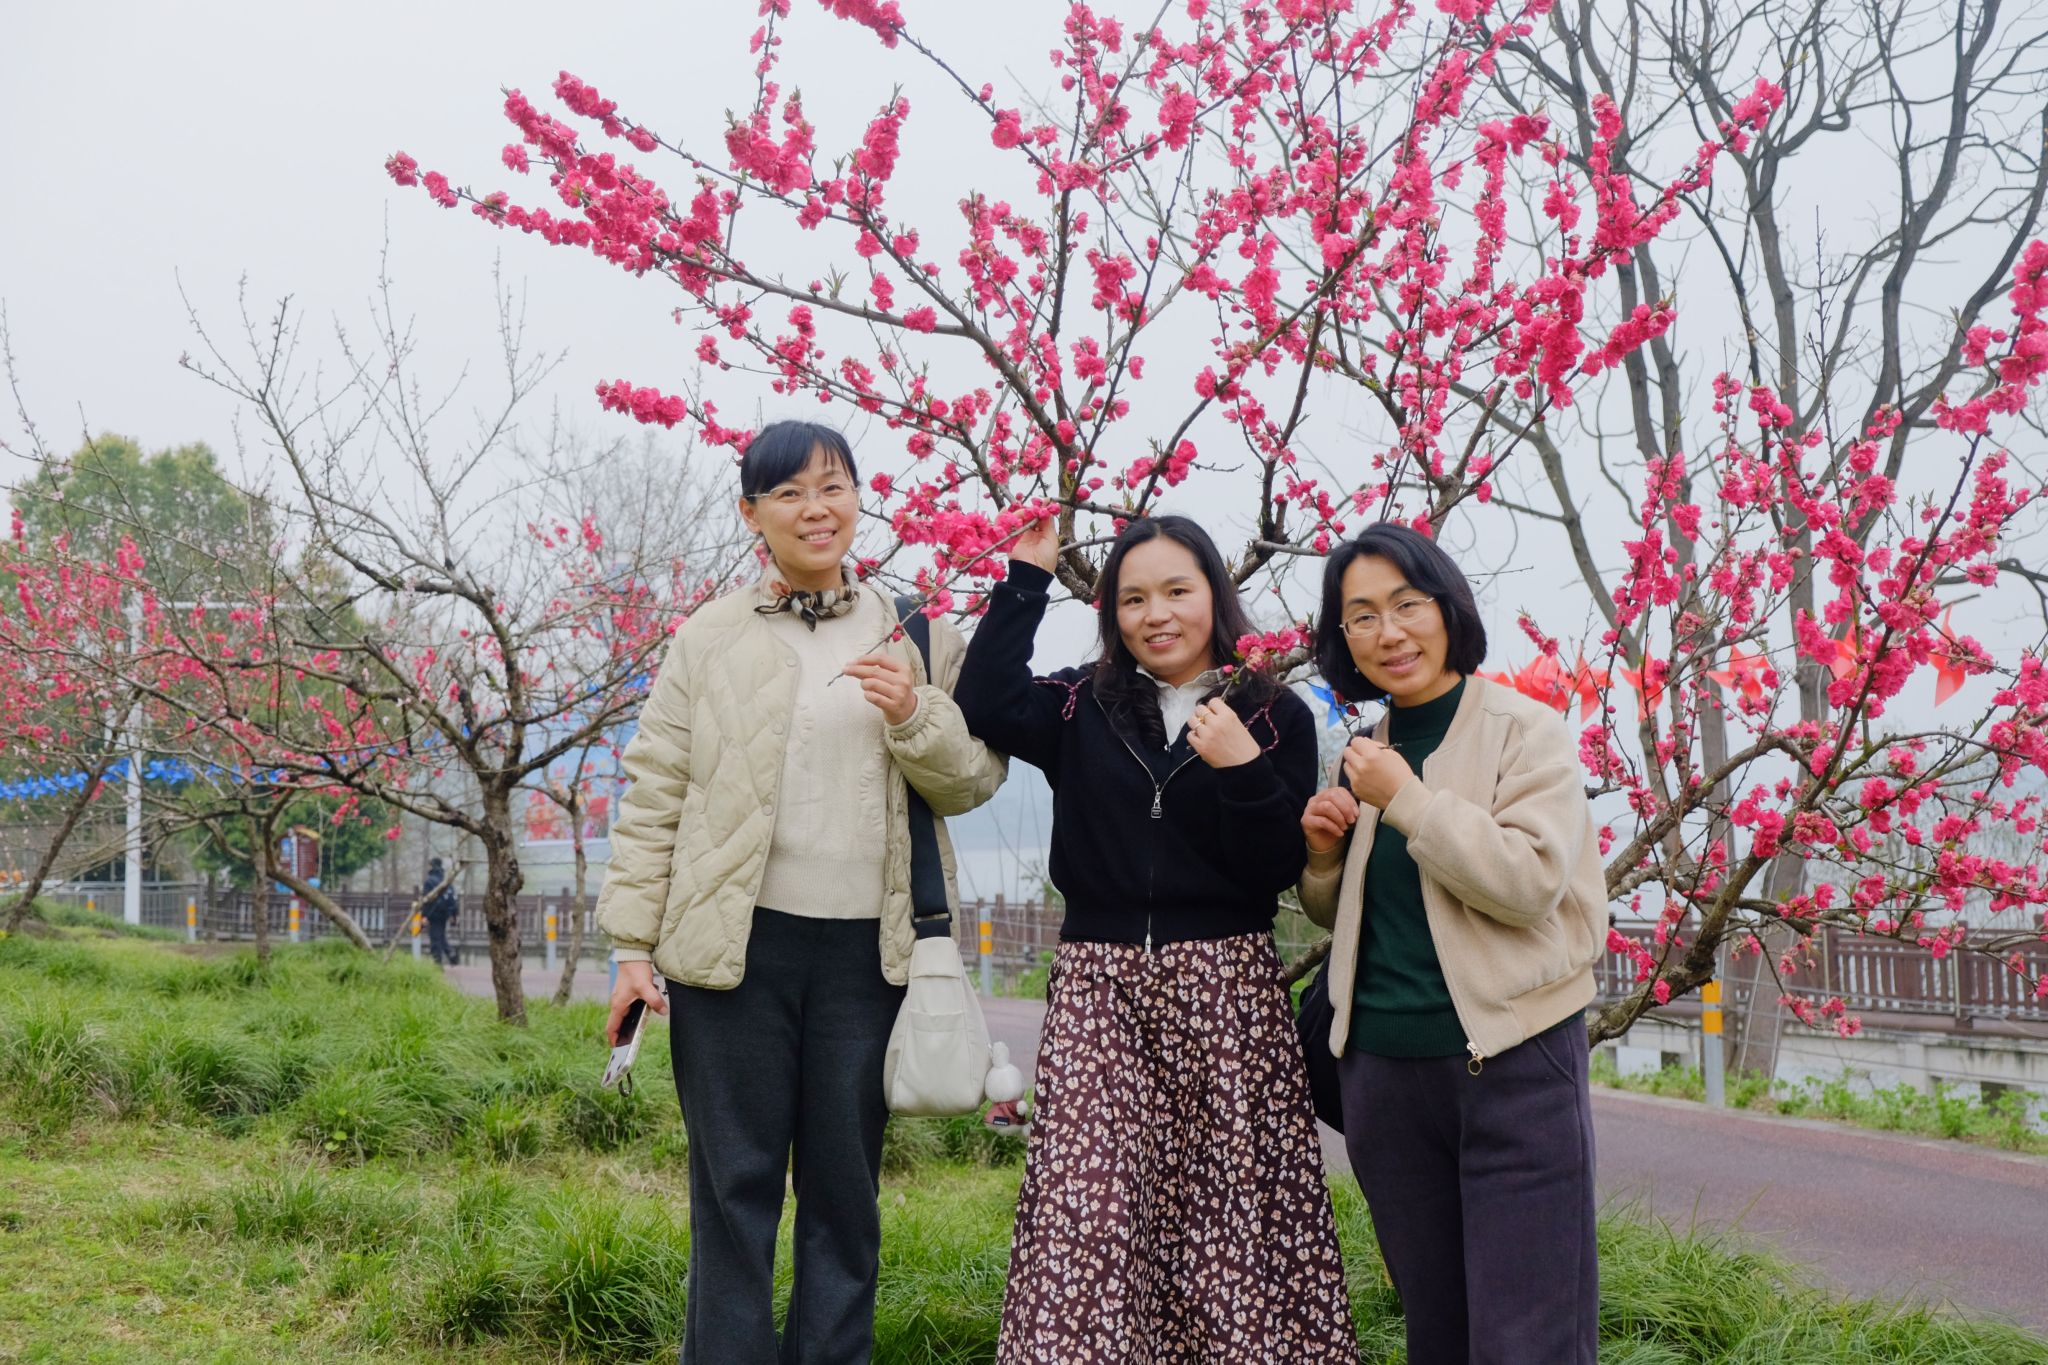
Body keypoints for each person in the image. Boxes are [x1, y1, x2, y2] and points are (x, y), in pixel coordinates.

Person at [596, 419, 1006, 1365]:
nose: (815, 509)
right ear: (752, 513)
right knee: (731, 1195)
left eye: (833, 486)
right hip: (733, 953)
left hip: (869, 956)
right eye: (788, 492)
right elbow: (655, 789)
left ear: (859, 497)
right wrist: (631, 947)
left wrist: (914, 713)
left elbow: (976, 778)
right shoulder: (710, 636)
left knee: (843, 1196)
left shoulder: (916, 630)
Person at [957, 514, 1358, 1363]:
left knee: (1224, 1217)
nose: (1157, 613)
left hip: (1227, 990)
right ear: (1112, 613)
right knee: (1086, 1208)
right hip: (1098, 986)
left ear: (1215, 593)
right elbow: (985, 702)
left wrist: (1243, 767)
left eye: (1178, 590)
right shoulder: (1082, 700)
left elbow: (1275, 867)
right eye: (1133, 598)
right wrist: (1025, 578)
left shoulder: (1274, 714)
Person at [1298, 522, 1606, 1365]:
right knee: (1436, 1333)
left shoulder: (1524, 729)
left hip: (1512, 1068)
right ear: (1343, 637)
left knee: (1529, 1340)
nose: (1388, 632)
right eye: (1362, 616)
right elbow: (1351, 913)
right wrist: (1322, 858)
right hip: (1384, 1080)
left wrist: (1408, 800)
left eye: (1407, 604)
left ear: (1447, 607)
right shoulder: (1367, 751)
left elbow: (1529, 880)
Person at [420, 857, 458, 967]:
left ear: (432, 866)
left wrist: (425, 916)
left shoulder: (429, 881)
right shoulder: (445, 881)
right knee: (440, 935)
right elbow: (452, 899)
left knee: (435, 939)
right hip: (444, 914)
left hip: (433, 914)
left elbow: (427, 900)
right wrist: (454, 914)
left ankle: (437, 964)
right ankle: (450, 953)